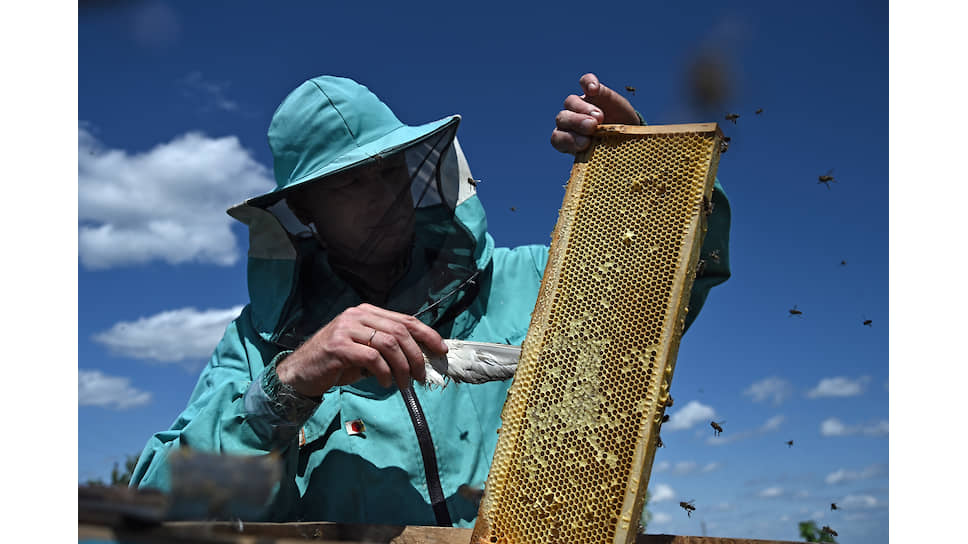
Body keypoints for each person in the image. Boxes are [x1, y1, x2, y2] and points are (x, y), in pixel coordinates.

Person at [130, 73, 732, 528]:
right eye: (349, 183)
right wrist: (287, 384)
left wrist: (650, 171)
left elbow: (670, 283)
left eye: (389, 171)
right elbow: (164, 505)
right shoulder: (257, 342)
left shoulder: (529, 281)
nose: (383, 195)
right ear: (304, 210)